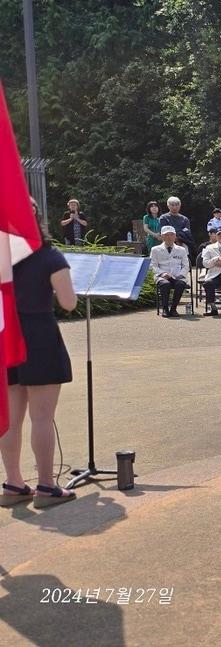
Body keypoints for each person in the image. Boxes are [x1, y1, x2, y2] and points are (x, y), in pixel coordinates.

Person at [2, 199, 79, 508]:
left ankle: (13, 483)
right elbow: (69, 302)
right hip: (40, 336)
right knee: (42, 416)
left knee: (10, 419)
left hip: (8, 337)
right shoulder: (49, 256)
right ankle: (46, 486)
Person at [150, 226, 190, 317]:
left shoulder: (182, 250)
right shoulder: (155, 250)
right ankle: (165, 309)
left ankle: (173, 309)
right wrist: (162, 274)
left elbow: (186, 265)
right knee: (165, 284)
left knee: (180, 284)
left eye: (171, 234)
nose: (169, 237)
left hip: (177, 276)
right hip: (162, 276)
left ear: (175, 236)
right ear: (162, 236)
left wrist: (180, 275)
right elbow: (152, 265)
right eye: (166, 235)